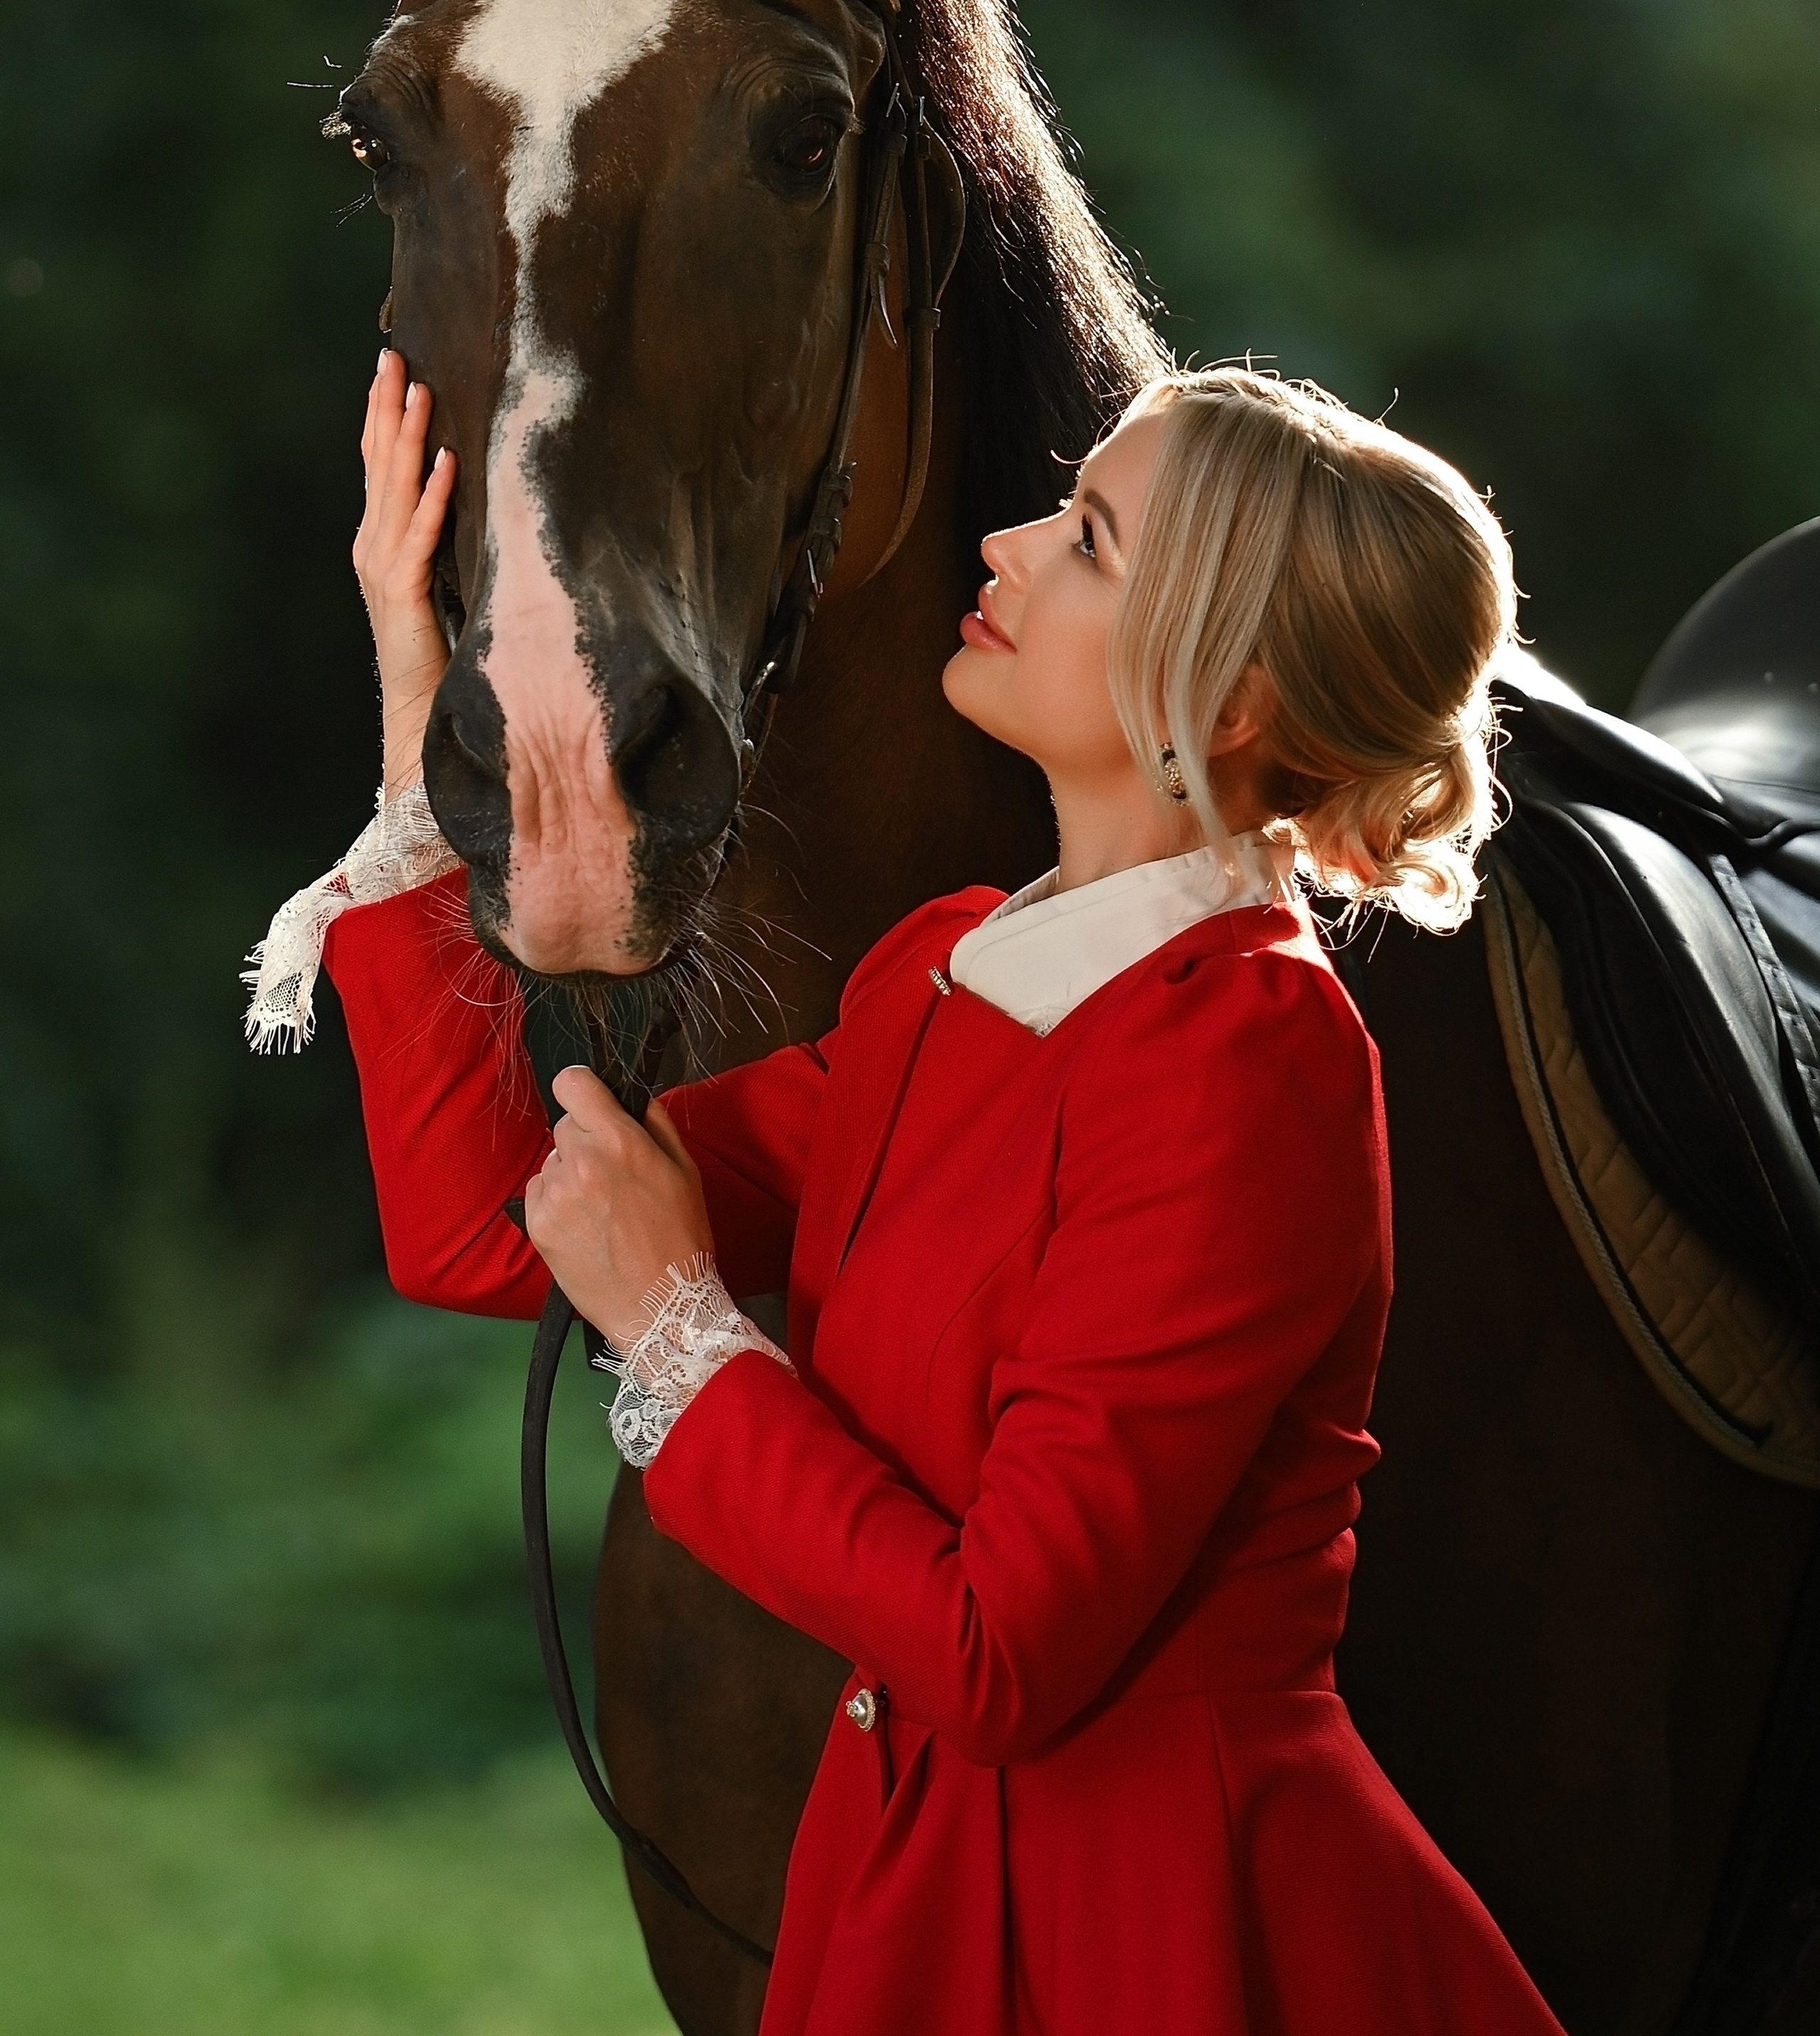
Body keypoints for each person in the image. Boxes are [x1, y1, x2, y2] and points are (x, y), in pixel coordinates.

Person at [263, 352, 1567, 2036]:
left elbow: (994, 1650)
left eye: (1088, 537)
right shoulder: (942, 977)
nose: (1008, 546)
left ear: (1227, 697)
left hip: (1162, 1936)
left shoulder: (1251, 1057)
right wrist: (415, 693)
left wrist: (678, 1324)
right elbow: (494, 1226)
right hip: (910, 1889)